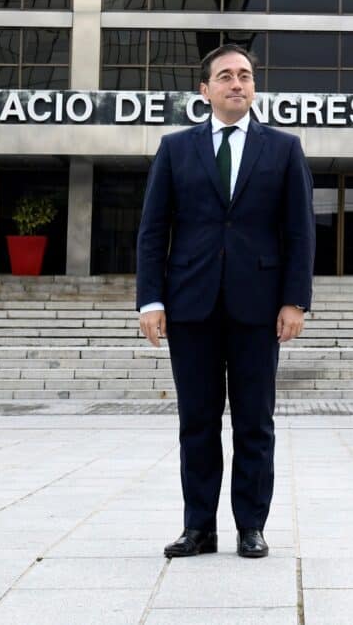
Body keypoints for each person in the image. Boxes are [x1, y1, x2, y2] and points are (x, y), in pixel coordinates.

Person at [137, 44, 315, 560]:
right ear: (205, 90)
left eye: (245, 75)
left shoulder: (283, 149)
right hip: (190, 304)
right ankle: (199, 528)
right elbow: (153, 231)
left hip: (258, 307)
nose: (237, 83)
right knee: (197, 420)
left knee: (255, 422)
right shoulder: (175, 148)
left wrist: (295, 301)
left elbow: (299, 233)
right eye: (226, 76)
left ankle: (250, 527)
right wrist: (150, 299)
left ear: (253, 87)